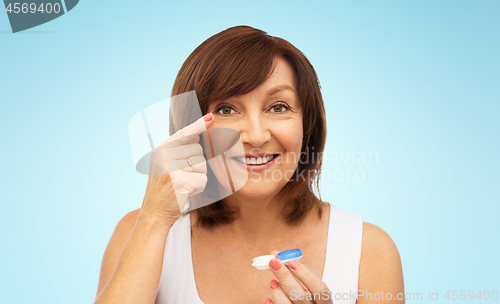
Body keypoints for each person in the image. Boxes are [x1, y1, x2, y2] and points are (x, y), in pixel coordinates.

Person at [93, 26, 405, 304]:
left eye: (278, 107)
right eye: (226, 109)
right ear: (191, 130)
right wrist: (155, 218)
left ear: (306, 123)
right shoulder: (140, 234)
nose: (255, 136)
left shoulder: (369, 251)